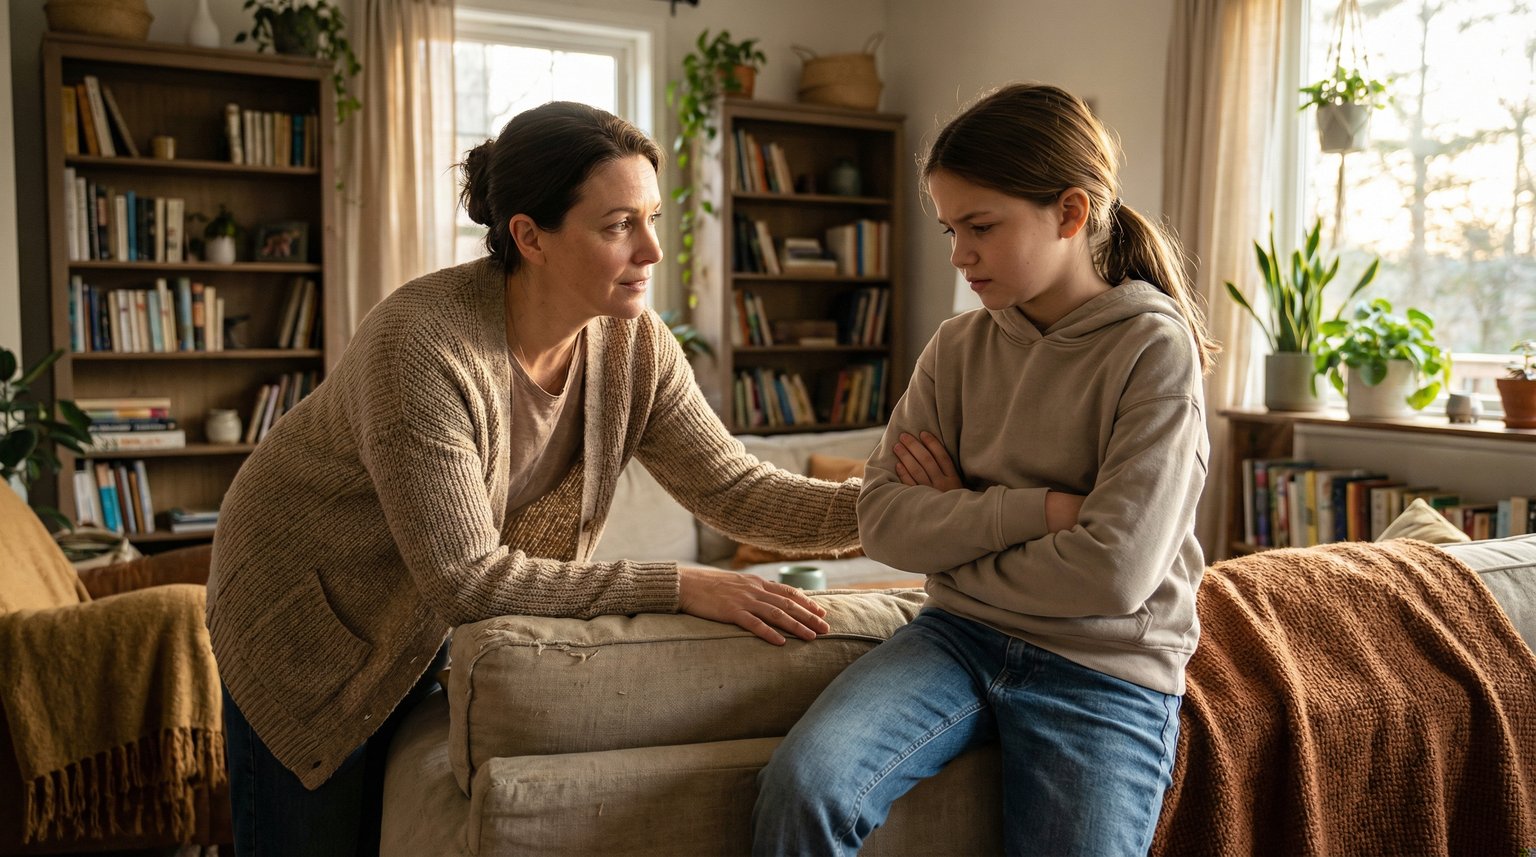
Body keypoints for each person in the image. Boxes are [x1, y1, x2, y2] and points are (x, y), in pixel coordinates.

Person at [206, 101, 863, 857]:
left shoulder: (635, 344)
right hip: (303, 618)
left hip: (422, 623)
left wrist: (895, 509)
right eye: (619, 225)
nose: (652, 249)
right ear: (529, 235)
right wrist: (681, 583)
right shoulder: (421, 345)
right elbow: (467, 581)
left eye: (652, 217)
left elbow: (738, 489)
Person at [752, 82, 1219, 857]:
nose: (958, 254)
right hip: (956, 636)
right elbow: (884, 521)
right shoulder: (957, 347)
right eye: (949, 226)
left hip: (1103, 669)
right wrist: (1038, 511)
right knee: (804, 788)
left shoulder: (1152, 350)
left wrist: (960, 523)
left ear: (1070, 213)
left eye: (981, 226)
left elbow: (1113, 575)